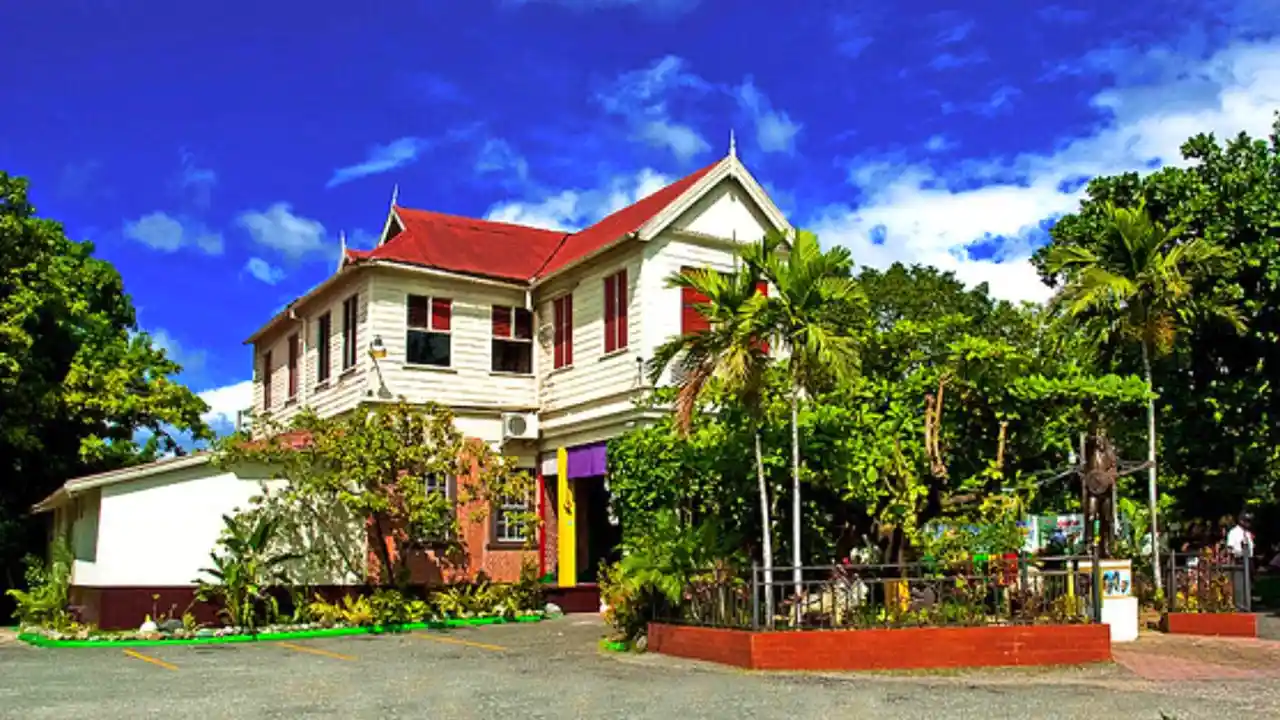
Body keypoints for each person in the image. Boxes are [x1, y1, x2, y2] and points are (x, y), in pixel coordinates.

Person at [1226, 512, 1255, 611]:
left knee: (1249, 583)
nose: (1249, 524)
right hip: (1239, 559)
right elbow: (1230, 548)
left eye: (1250, 521)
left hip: (1249, 559)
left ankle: (1248, 604)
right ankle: (1240, 606)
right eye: (1247, 521)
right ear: (1241, 521)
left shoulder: (1247, 533)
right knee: (1239, 584)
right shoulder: (1233, 532)